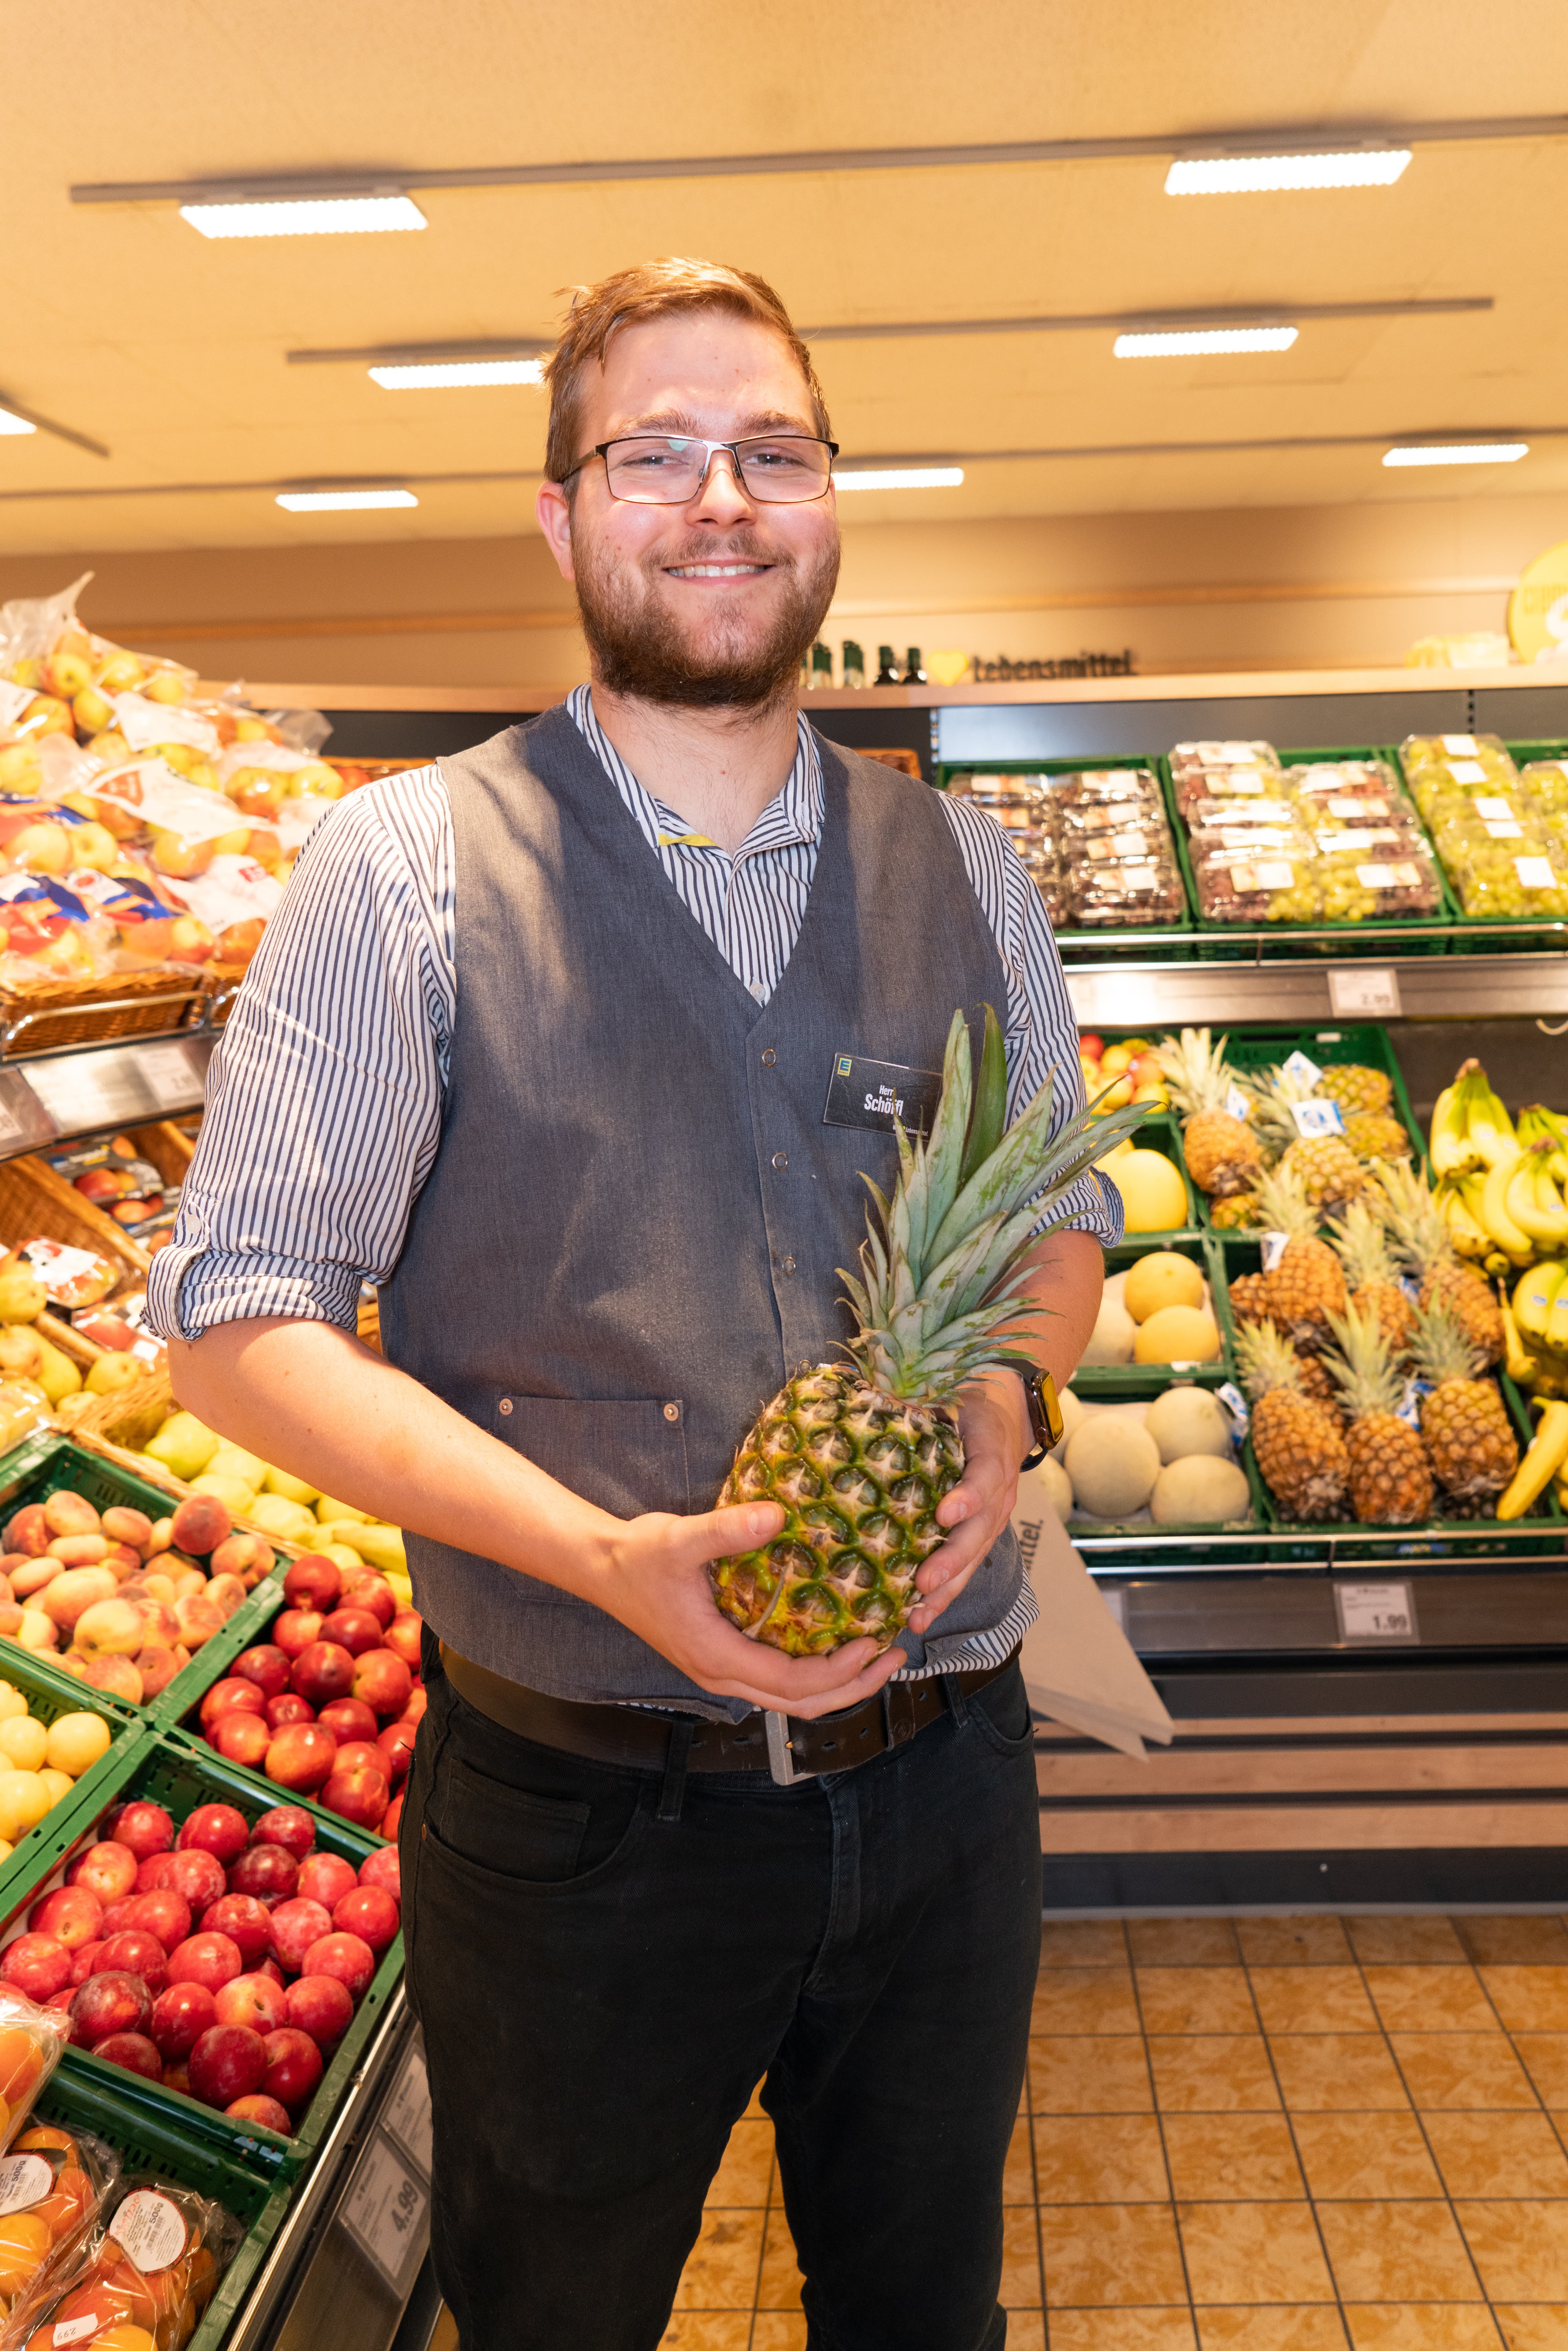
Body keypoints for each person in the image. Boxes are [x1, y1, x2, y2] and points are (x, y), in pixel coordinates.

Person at [148, 256, 1121, 2351]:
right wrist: (599, 1560)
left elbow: (1060, 1220)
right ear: (562, 512)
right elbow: (236, 1316)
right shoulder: (402, 868)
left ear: (832, 497)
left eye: (774, 449)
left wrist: (1007, 1402)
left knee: (925, 2314)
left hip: (945, 1777)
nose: (722, 498)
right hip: (579, 1817)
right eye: (655, 453)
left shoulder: (969, 874)